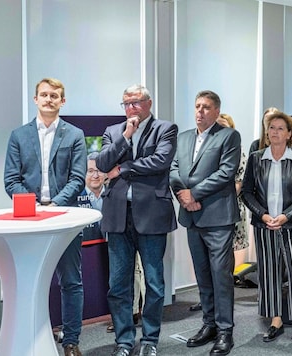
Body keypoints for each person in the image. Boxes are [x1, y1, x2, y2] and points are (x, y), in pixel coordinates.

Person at [4, 78, 86, 356]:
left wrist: (55, 207)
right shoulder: (19, 135)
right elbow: (11, 180)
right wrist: (35, 207)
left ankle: (71, 341)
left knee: (71, 281)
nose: (48, 99)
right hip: (29, 220)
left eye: (54, 95)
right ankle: (33, 335)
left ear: (62, 101)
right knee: (31, 279)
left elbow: (77, 179)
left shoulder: (74, 135)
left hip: (66, 219)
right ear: (35, 99)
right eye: (44, 95)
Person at [96, 84, 178, 356]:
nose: (131, 108)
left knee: (154, 283)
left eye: (136, 102)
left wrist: (124, 169)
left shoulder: (166, 129)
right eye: (126, 103)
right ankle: (123, 341)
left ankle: (150, 340)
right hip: (118, 216)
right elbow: (103, 164)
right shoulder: (113, 132)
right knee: (118, 284)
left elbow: (161, 161)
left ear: (149, 102)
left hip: (151, 214)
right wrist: (126, 135)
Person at [241, 111, 292, 353]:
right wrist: (263, 215)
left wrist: (286, 216)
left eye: (280, 128)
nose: (274, 132)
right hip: (264, 226)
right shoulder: (256, 159)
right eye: (271, 128)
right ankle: (276, 320)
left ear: (289, 134)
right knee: (269, 273)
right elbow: (247, 192)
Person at [169, 90, 240, 356]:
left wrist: (194, 194)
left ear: (216, 111)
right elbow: (173, 169)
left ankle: (225, 331)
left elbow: (226, 172)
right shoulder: (184, 137)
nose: (200, 111)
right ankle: (208, 324)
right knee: (203, 275)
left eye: (206, 107)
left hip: (218, 218)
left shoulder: (229, 136)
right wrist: (184, 196)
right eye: (197, 106)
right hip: (192, 216)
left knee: (221, 276)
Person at [189, 113, 249, 313]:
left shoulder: (236, 151)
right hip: (200, 210)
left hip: (226, 211)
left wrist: (201, 195)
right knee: (204, 266)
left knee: (221, 267)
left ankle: (222, 311)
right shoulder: (199, 148)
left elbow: (237, 182)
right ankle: (208, 304)